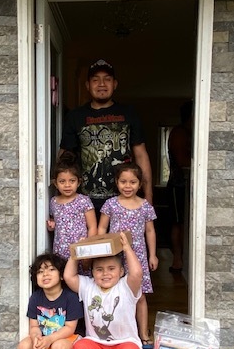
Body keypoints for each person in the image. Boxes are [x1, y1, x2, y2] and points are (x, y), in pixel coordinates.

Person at [59, 59, 153, 215]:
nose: (101, 84)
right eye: (95, 80)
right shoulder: (75, 117)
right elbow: (64, 158)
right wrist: (61, 199)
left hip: (124, 200)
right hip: (85, 202)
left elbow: (141, 155)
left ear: (115, 84)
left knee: (123, 240)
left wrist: (148, 197)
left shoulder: (129, 113)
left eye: (107, 79)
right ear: (88, 85)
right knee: (86, 239)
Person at [63, 232, 142, 349]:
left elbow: (137, 272)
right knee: (80, 348)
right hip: (96, 343)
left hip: (124, 343)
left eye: (111, 268)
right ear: (92, 272)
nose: (105, 273)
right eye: (99, 269)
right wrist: (76, 252)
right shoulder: (88, 285)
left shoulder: (126, 287)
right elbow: (68, 276)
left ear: (121, 271)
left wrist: (127, 248)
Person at [97, 163, 158, 349]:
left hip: (137, 257)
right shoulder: (111, 204)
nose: (128, 185)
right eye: (123, 181)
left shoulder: (145, 206)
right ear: (117, 182)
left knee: (139, 296)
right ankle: (115, 332)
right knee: (113, 295)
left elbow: (150, 231)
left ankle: (144, 334)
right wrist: (100, 252)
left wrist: (153, 255)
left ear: (140, 184)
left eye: (133, 182)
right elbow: (101, 228)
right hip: (115, 257)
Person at [17, 252, 84, 349]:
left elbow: (70, 328)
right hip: (46, 339)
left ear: (61, 275)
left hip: (67, 340)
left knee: (58, 347)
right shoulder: (35, 298)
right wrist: (36, 337)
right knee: (23, 347)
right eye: (40, 272)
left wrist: (49, 340)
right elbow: (34, 326)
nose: (45, 274)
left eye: (51, 269)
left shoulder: (70, 297)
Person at [47, 151, 98, 269]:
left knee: (80, 279)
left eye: (72, 181)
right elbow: (54, 221)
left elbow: (92, 226)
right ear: (55, 183)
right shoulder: (54, 201)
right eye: (62, 181)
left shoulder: (84, 201)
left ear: (79, 182)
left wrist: (88, 248)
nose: (67, 185)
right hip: (61, 250)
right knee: (63, 274)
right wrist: (51, 226)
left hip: (80, 249)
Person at [167, 100, 193, 273]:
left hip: (189, 186)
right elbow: (182, 161)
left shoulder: (191, 132)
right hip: (179, 184)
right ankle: (177, 260)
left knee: (187, 222)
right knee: (178, 222)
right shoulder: (179, 132)